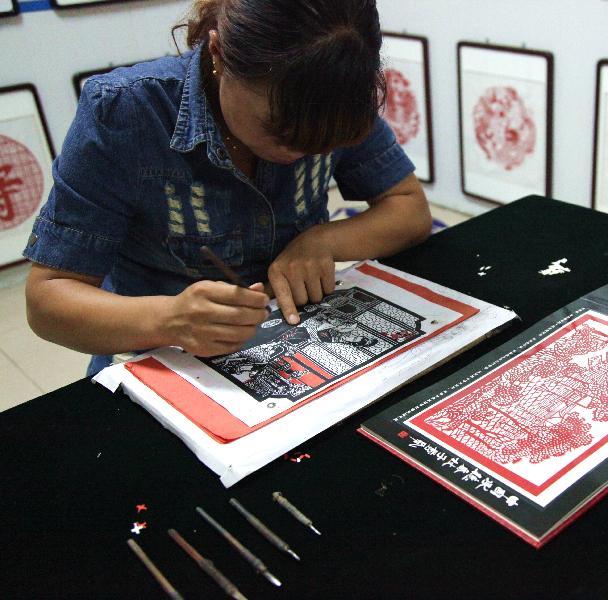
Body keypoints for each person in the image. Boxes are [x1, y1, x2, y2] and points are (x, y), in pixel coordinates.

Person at [22, 0, 432, 377]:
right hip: (158, 355)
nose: (297, 152)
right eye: (280, 131)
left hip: (296, 345)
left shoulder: (335, 90)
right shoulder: (125, 111)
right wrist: (170, 319)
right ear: (219, 54)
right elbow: (47, 302)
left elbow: (409, 210)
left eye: (321, 142)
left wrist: (324, 241)